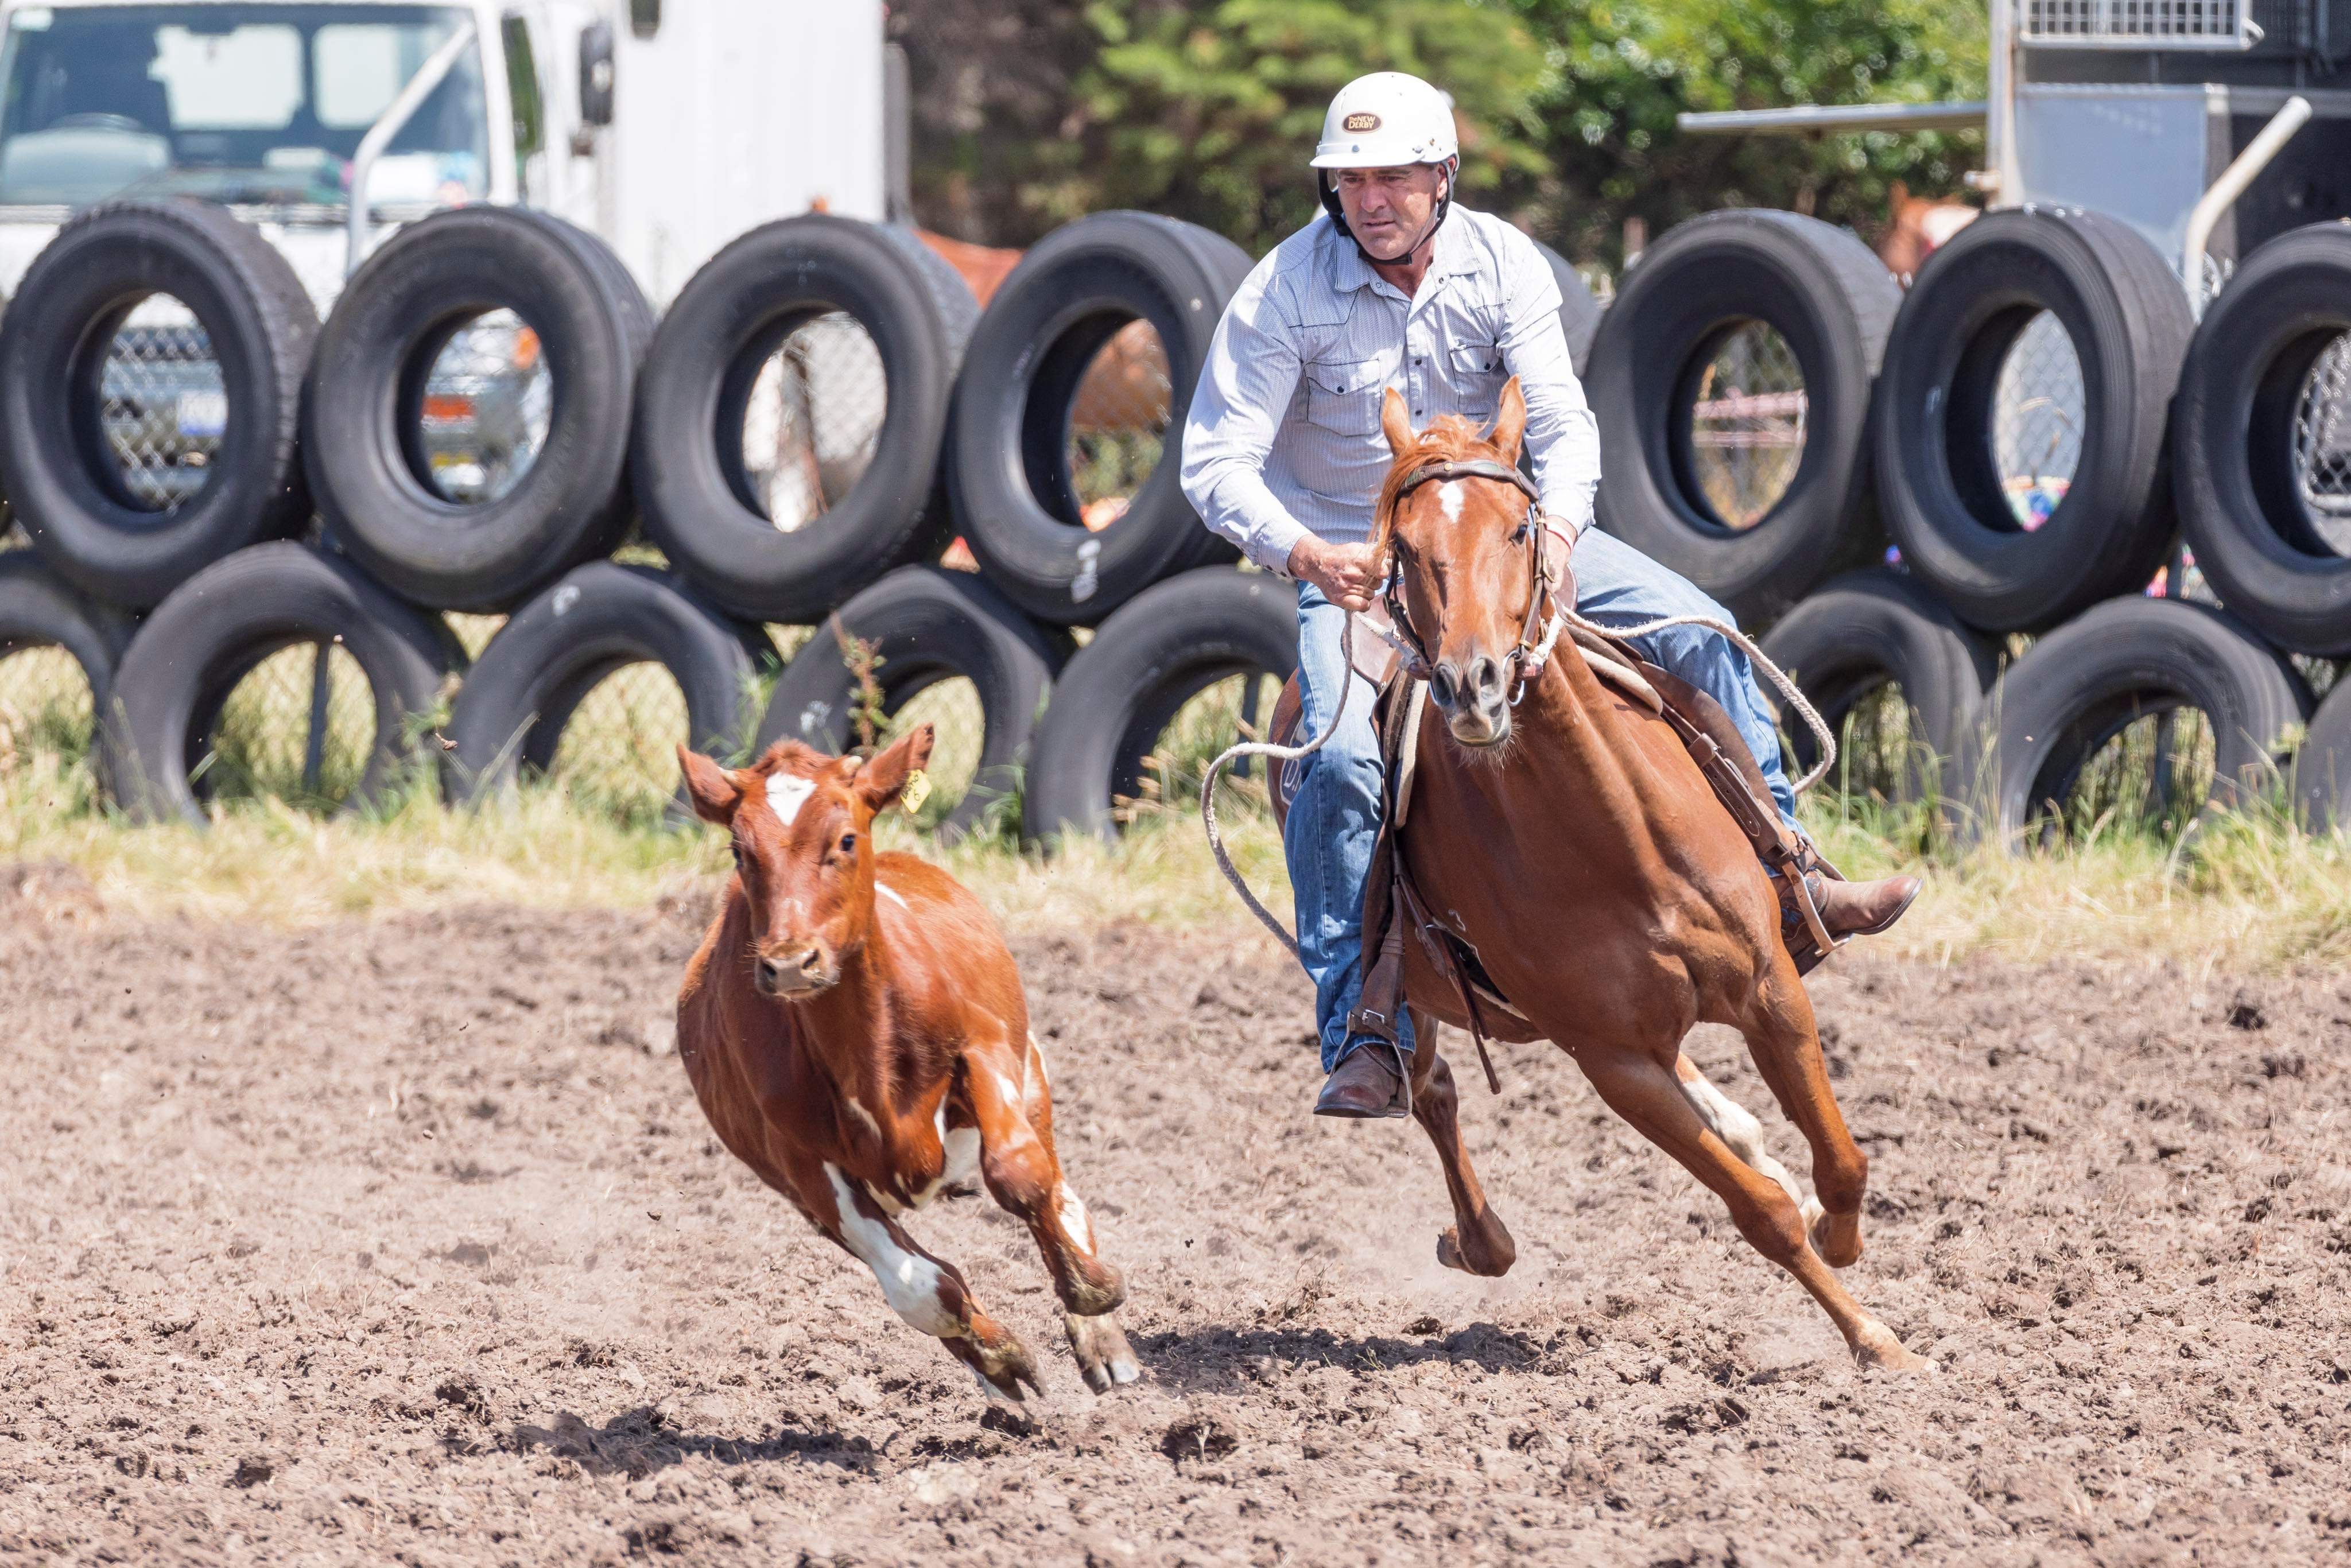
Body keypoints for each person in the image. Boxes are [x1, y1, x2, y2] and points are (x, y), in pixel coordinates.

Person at [1180, 71, 1921, 1120]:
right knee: (1338, 761)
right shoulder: (1283, 291)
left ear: (1443, 176)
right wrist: (1305, 554)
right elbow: (1214, 462)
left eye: (1395, 177)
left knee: (1705, 633)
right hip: (1365, 561)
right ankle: (1364, 1026)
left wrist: (1561, 535)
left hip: (1511, 544)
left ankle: (1792, 882)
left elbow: (1565, 426)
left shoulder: (1501, 262)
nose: (1372, 199)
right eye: (1352, 181)